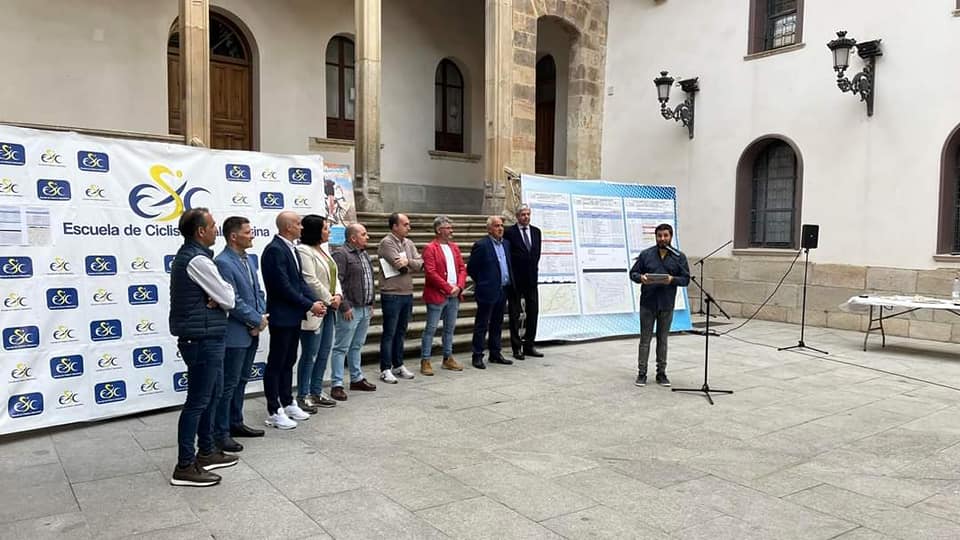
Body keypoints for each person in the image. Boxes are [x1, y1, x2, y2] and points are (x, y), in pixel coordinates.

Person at [168, 208, 238, 487]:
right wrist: (218, 296)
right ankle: (185, 465)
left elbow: (224, 294)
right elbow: (229, 297)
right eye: (212, 226)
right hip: (201, 339)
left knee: (212, 395)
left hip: (208, 335)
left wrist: (217, 296)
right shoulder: (197, 260)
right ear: (200, 231)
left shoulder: (197, 257)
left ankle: (206, 451)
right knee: (197, 401)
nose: (215, 230)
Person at [261, 211, 327, 429]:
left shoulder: (292, 249)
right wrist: (309, 305)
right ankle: (274, 409)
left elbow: (299, 282)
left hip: (294, 315)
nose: (302, 227)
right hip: (281, 315)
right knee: (277, 362)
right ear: (288, 227)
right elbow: (283, 286)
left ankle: (288, 402)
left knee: (289, 360)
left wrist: (315, 301)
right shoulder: (274, 250)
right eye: (298, 224)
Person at [213, 216, 268, 451]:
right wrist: (255, 320)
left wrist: (261, 317)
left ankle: (236, 422)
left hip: (252, 331)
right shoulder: (223, 262)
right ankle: (221, 432)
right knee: (229, 384)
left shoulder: (247, 259)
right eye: (247, 232)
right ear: (234, 236)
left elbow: (258, 293)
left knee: (242, 380)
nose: (252, 235)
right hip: (235, 334)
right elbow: (231, 300)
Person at [629, 223, 690, 387]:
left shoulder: (679, 257)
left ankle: (661, 373)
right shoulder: (646, 254)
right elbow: (633, 273)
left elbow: (686, 279)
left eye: (665, 235)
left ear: (671, 237)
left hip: (666, 304)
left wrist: (672, 279)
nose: (662, 239)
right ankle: (642, 373)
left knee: (663, 340)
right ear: (655, 237)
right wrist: (640, 278)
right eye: (659, 236)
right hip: (647, 304)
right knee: (645, 340)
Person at [295, 215, 340, 412]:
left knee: (324, 352)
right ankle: (303, 395)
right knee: (310, 354)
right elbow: (310, 280)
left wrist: (338, 295)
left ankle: (316, 390)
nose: (328, 232)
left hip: (330, 309)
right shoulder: (303, 250)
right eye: (325, 228)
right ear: (315, 231)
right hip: (315, 308)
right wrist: (330, 299)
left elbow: (334, 276)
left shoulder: (323, 250)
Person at [329, 223, 378, 400]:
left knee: (357, 345)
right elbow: (337, 282)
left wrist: (371, 302)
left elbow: (369, 279)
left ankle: (356, 378)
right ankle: (337, 384)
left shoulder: (364, 253)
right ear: (353, 238)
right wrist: (345, 305)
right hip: (350, 309)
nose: (367, 237)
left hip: (364, 307)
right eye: (364, 234)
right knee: (341, 347)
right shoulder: (341, 254)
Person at [376, 212, 423, 383]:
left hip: (407, 292)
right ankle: (385, 368)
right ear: (395, 226)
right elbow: (399, 266)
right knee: (389, 332)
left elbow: (420, 264)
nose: (409, 227)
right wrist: (410, 263)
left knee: (401, 331)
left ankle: (398, 364)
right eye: (405, 224)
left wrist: (408, 261)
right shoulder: (387, 242)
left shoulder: (409, 243)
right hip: (392, 293)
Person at [419, 215, 467, 375]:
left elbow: (462, 268)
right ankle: (425, 360)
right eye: (448, 228)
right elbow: (430, 273)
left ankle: (448, 357)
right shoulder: (430, 248)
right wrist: (447, 288)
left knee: (449, 328)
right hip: (437, 295)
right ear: (439, 230)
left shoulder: (454, 247)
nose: (451, 230)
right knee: (431, 328)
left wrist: (459, 286)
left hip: (454, 294)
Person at [466, 215, 514, 369]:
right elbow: (471, 268)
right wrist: (483, 282)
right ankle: (477, 355)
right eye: (496, 226)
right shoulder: (481, 245)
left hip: (503, 289)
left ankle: (495, 353)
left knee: (497, 323)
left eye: (501, 226)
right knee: (482, 324)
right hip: (487, 290)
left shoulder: (506, 244)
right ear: (489, 229)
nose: (500, 228)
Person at [504, 204, 543, 360]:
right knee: (515, 314)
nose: (526, 217)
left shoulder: (536, 232)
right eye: (523, 214)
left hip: (532, 279)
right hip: (516, 280)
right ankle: (516, 347)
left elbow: (536, 254)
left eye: (528, 214)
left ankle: (529, 345)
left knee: (533, 312)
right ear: (517, 216)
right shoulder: (509, 232)